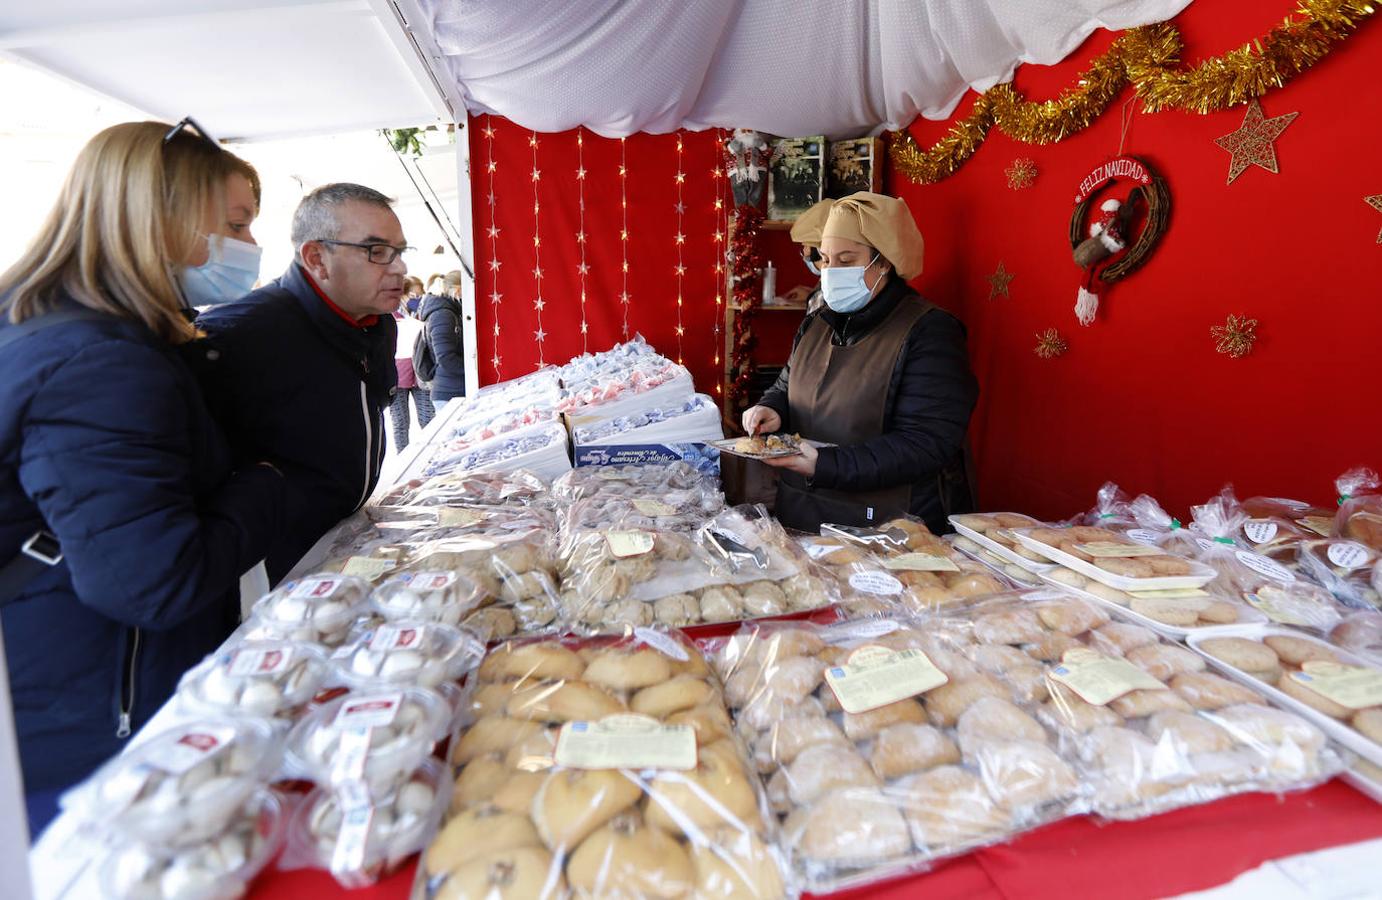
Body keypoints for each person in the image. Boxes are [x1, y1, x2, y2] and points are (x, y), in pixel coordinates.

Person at [0, 119, 288, 834]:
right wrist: (264, 484)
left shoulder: (51, 327)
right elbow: (152, 583)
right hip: (94, 728)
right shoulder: (99, 363)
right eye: (236, 226)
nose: (251, 250)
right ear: (159, 222)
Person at [190, 183, 401, 583]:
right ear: (317, 258)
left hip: (343, 546)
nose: (398, 267)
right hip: (271, 577)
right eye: (376, 252)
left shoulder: (376, 324)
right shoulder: (237, 335)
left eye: (399, 251)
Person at [741, 192, 978, 534]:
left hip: (887, 525)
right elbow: (787, 383)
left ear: (884, 263)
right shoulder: (817, 321)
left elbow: (925, 443)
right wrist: (772, 408)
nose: (831, 271)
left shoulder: (929, 332)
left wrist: (825, 464)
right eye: (824, 259)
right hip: (805, 511)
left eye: (847, 259)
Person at [418, 269, 467, 412]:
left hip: (452, 389)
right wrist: (473, 371)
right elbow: (446, 357)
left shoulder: (448, 312)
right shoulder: (443, 315)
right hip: (450, 393)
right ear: (458, 290)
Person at [391, 299, 434, 450]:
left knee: (427, 420)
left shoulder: (419, 315)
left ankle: (430, 453)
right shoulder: (387, 319)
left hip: (420, 373)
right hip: (396, 376)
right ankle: (402, 459)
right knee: (400, 423)